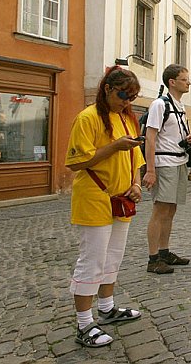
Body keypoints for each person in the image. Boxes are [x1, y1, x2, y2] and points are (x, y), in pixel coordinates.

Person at [65, 66, 144, 348]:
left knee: (113, 257)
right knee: (92, 260)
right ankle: (84, 323)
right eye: (124, 94)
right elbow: (75, 162)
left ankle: (107, 307)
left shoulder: (126, 119)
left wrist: (135, 184)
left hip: (121, 198)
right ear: (108, 89)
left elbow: (135, 157)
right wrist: (113, 147)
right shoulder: (87, 118)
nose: (127, 101)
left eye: (133, 97)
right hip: (94, 197)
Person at [143, 64, 191, 275]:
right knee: (160, 209)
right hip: (164, 163)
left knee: (170, 210)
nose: (189, 83)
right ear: (172, 82)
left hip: (179, 162)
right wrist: (150, 170)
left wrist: (188, 138)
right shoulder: (159, 105)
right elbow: (150, 137)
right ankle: (153, 257)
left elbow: (171, 135)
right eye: (185, 79)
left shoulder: (180, 106)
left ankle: (164, 252)